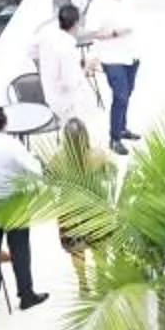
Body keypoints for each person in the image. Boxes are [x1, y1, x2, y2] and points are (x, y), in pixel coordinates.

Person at [0, 105, 49, 311]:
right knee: (20, 248)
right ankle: (26, 295)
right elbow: (35, 169)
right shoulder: (11, 146)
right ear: (5, 125)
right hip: (13, 202)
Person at [51, 117, 116, 291]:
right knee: (100, 248)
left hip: (69, 212)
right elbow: (111, 175)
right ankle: (101, 279)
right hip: (95, 208)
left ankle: (83, 283)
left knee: (77, 251)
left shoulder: (58, 158)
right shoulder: (98, 155)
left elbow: (52, 182)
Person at [89, 0, 141, 147]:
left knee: (127, 94)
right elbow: (93, 32)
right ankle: (114, 138)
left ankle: (122, 128)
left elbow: (134, 24)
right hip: (112, 58)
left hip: (132, 55)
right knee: (120, 96)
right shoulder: (99, 4)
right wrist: (115, 32)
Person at [34, 1, 99, 139]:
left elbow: (31, 50)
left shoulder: (46, 33)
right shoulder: (66, 49)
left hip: (51, 92)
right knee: (77, 135)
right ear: (76, 23)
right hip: (68, 101)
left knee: (68, 131)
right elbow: (71, 82)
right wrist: (86, 67)